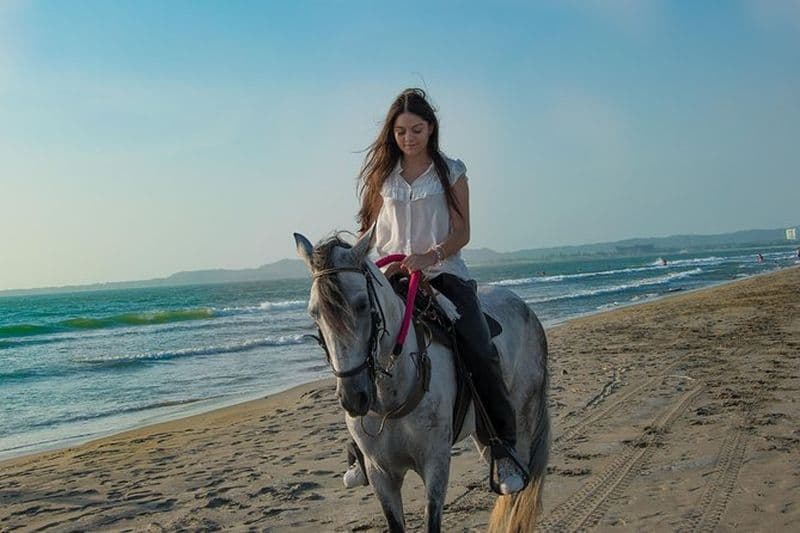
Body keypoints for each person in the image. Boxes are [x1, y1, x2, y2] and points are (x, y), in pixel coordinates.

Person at [343, 88, 525, 495]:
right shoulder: (381, 179)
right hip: (390, 277)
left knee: (478, 346)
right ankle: (357, 450)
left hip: (443, 273)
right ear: (392, 133)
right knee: (355, 344)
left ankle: (502, 449)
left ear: (431, 129)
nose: (409, 138)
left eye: (417, 130)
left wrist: (431, 256)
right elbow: (368, 233)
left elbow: (463, 232)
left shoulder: (451, 172)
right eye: (401, 131)